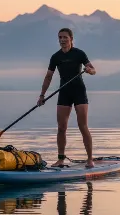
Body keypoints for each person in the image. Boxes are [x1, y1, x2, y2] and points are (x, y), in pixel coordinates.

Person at [37, 28, 96, 168]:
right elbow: (48, 76)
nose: (62, 40)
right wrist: (42, 95)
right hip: (64, 92)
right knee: (61, 127)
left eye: (65, 37)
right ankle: (61, 159)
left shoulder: (79, 53)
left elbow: (93, 70)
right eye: (60, 37)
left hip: (79, 92)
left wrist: (89, 70)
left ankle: (89, 159)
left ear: (71, 39)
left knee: (83, 126)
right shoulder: (55, 57)